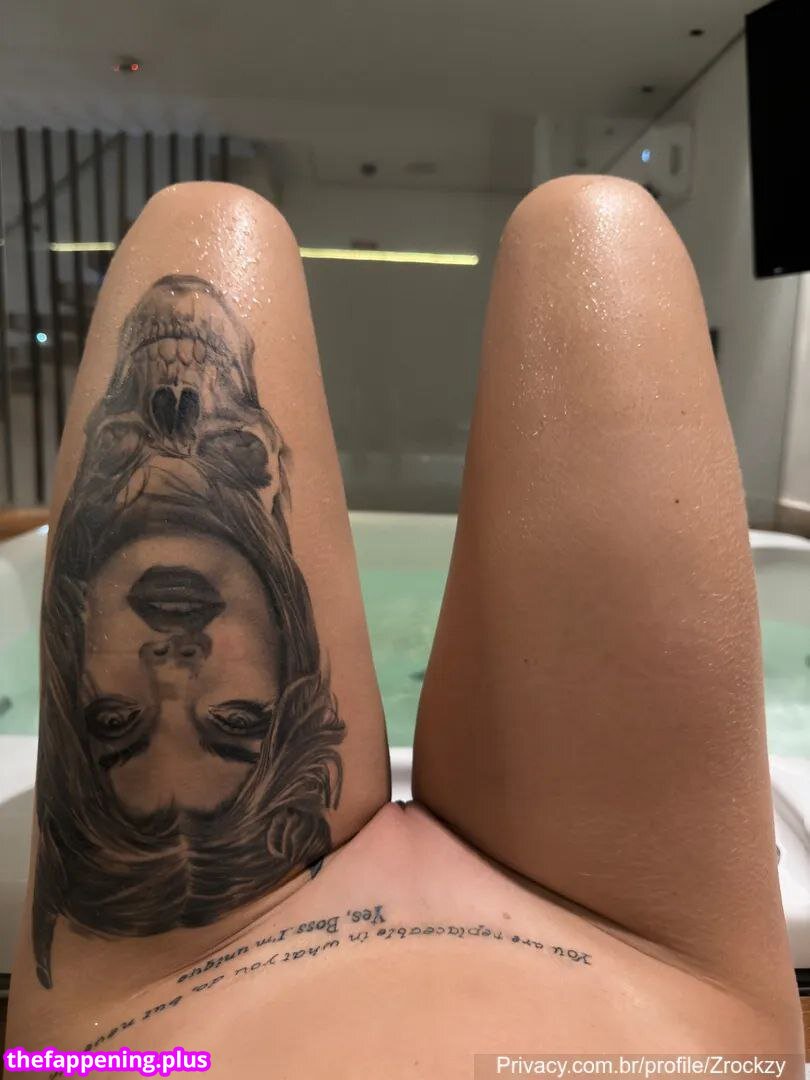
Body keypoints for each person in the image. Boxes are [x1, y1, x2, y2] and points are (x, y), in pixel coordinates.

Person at [7, 177, 803, 1079]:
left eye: (118, 723)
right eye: (231, 724)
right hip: (668, 978)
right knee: (594, 224)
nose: (174, 671)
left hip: (156, 999)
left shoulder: (108, 1019)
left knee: (206, 220)